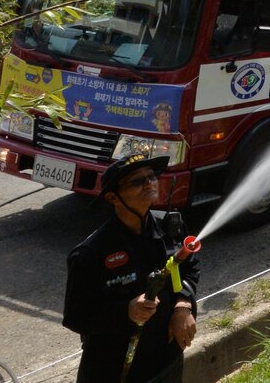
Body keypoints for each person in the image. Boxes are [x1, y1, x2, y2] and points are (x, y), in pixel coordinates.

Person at [63, 152, 200, 383]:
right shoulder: (91, 253)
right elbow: (76, 318)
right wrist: (126, 310)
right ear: (113, 197)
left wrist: (183, 306)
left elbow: (189, 268)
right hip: (112, 368)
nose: (149, 183)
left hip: (165, 358)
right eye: (137, 181)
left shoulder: (171, 228)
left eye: (151, 177)